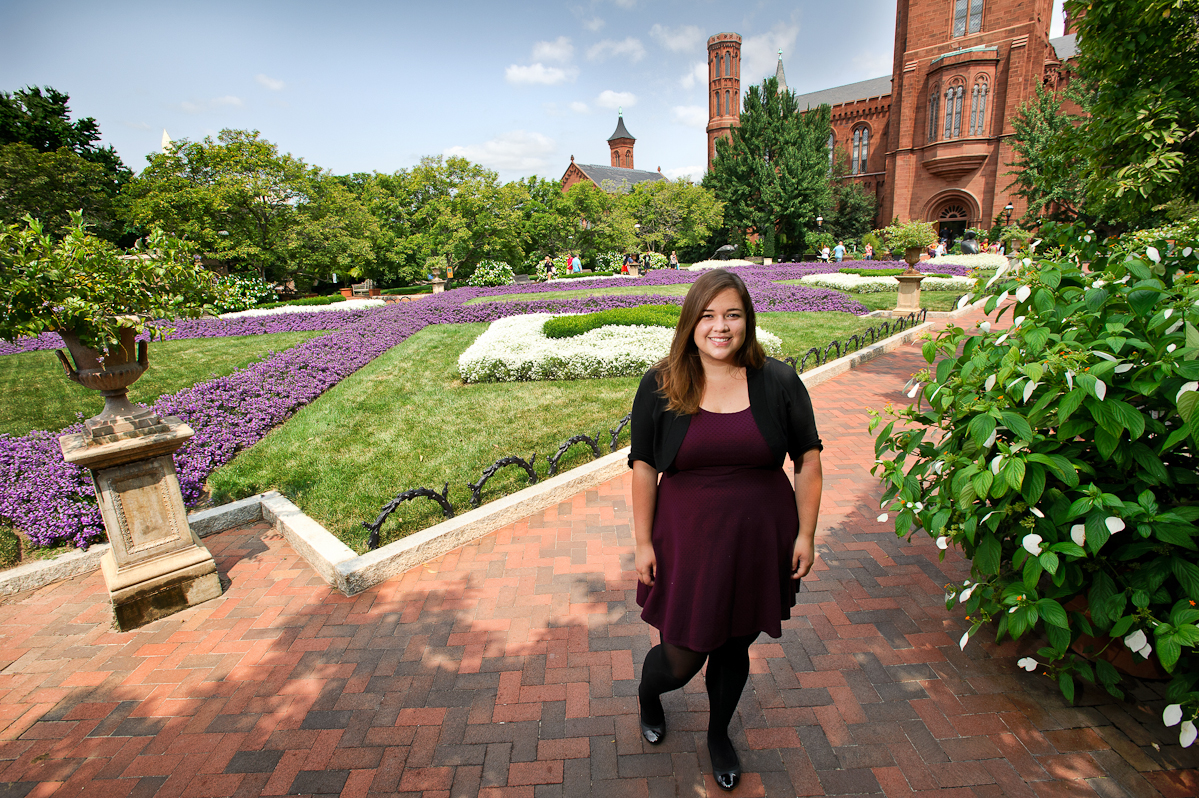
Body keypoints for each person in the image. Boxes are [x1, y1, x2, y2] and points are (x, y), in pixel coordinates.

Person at [629, 269, 824, 791]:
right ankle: (650, 695)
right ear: (690, 323)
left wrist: (805, 534)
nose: (721, 327)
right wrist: (643, 541)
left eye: (733, 315)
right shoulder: (662, 382)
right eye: (709, 315)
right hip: (687, 541)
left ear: (748, 321)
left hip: (758, 541)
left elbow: (807, 460)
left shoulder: (778, 381)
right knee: (681, 656)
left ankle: (719, 733)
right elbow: (645, 465)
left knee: (735, 647)